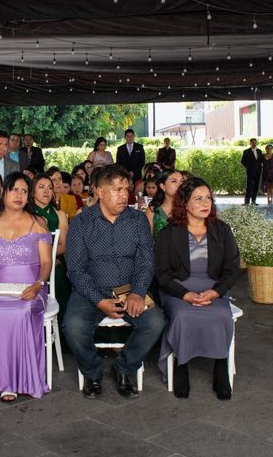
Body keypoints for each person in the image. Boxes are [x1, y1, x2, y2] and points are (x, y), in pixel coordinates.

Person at [64, 165, 165, 399]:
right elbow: (76, 270)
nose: (124, 195)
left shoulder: (137, 220)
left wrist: (138, 293)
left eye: (125, 189)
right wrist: (99, 300)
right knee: (74, 326)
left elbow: (146, 263)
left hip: (129, 288)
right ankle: (92, 371)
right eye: (117, 190)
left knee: (156, 322)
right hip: (90, 290)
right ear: (99, 191)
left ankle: (124, 367)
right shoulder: (81, 223)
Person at [155, 178, 239, 400]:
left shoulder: (222, 230)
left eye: (208, 198)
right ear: (184, 203)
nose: (205, 203)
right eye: (199, 199)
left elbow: (232, 269)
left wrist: (216, 292)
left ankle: (221, 368)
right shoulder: (169, 233)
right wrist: (185, 295)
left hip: (213, 289)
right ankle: (181, 365)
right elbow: (162, 275)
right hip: (179, 290)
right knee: (182, 316)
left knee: (222, 314)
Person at [0, 172, 52, 402]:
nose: (19, 195)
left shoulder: (37, 223)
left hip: (32, 286)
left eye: (24, 191)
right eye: (14, 189)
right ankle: (4, 382)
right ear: (4, 191)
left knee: (24, 310)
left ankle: (26, 380)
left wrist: (38, 285)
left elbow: (46, 262)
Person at [31, 174, 70, 347]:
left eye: (49, 187)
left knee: (60, 274)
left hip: (55, 262)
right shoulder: (25, 213)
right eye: (41, 187)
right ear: (32, 191)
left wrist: (50, 256)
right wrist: (43, 258)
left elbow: (63, 245)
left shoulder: (60, 214)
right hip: (30, 262)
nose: (46, 191)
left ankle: (60, 337)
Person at [146, 169, 184, 237]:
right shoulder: (153, 210)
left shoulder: (188, 208)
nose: (180, 184)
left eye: (182, 181)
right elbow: (147, 241)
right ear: (163, 186)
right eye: (174, 181)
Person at [240, 138, 263, 206]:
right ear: (250, 143)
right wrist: (248, 167)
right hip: (250, 172)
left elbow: (261, 161)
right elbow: (242, 161)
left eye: (255, 142)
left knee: (256, 186)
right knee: (249, 186)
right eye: (253, 142)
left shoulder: (259, 151)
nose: (254, 143)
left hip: (258, 172)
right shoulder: (246, 151)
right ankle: (246, 201)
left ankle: (253, 201)